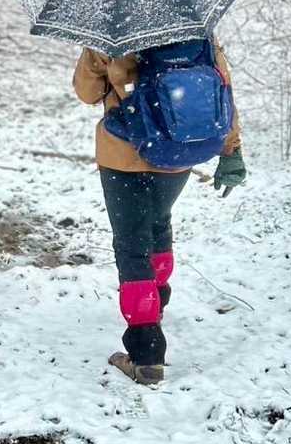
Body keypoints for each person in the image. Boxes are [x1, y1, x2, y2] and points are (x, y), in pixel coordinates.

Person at [72, 45, 246, 386]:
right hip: (177, 151)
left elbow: (87, 93)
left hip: (123, 156)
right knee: (158, 223)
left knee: (132, 246)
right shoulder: (197, 35)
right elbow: (223, 93)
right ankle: (157, 302)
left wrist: (96, 56)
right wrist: (232, 151)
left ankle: (146, 354)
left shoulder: (111, 35)